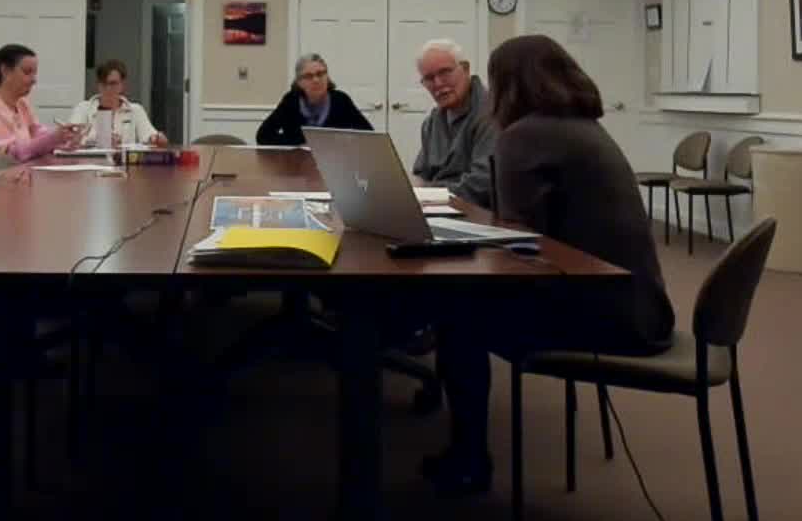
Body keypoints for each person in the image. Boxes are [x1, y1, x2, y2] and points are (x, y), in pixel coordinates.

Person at [421, 34, 677, 495]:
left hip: (609, 318)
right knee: (459, 303)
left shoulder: (526, 136)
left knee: (455, 316)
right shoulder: (581, 127)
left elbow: (517, 247)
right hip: (641, 307)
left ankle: (469, 461)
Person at [0, 43, 84, 170]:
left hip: (6, 176)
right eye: (27, 72)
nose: (34, 80)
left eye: (35, 73)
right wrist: (53, 139)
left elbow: (37, 133)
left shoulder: (21, 103)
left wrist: (64, 139)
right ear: (5, 71)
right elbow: (7, 158)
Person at [409, 38, 497, 208]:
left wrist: (428, 192)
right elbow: (420, 175)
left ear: (465, 69)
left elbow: (481, 185)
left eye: (445, 72)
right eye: (429, 78)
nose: (438, 83)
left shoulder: (491, 113)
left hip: (476, 213)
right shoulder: (432, 121)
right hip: (437, 209)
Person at [254, 53, 373, 146]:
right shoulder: (291, 101)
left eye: (320, 74)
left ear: (327, 76)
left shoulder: (340, 100)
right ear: (299, 82)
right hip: (297, 164)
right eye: (308, 76)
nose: (316, 80)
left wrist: (341, 142)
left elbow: (368, 135)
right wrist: (299, 144)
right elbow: (263, 136)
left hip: (334, 162)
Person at [67, 59, 169, 148]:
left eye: (113, 84)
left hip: (125, 162)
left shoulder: (135, 110)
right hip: (92, 162)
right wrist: (98, 140)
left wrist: (157, 139)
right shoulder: (83, 108)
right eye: (103, 83)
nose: (108, 88)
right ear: (98, 85)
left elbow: (150, 137)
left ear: (122, 85)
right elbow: (70, 139)